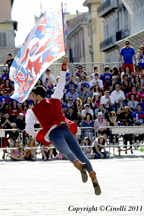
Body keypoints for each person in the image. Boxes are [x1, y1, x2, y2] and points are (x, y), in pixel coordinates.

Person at [25, 57, 101, 195]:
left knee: (67, 153)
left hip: (54, 134)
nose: (32, 97)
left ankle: (79, 166)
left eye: (33, 95)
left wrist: (43, 138)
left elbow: (28, 128)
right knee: (81, 155)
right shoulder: (54, 99)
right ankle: (94, 179)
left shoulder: (32, 111)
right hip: (65, 129)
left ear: (38, 96)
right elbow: (60, 84)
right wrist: (63, 67)